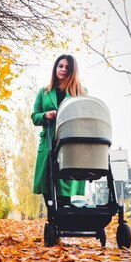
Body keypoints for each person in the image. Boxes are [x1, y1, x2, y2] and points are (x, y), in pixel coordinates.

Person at [32, 54, 86, 209]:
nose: (63, 70)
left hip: (70, 142)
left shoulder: (80, 92)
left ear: (72, 71)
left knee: (65, 182)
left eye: (67, 67)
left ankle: (64, 220)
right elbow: (35, 117)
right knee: (47, 182)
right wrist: (45, 115)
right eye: (60, 66)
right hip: (48, 142)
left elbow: (85, 116)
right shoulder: (44, 92)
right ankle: (53, 222)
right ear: (55, 68)